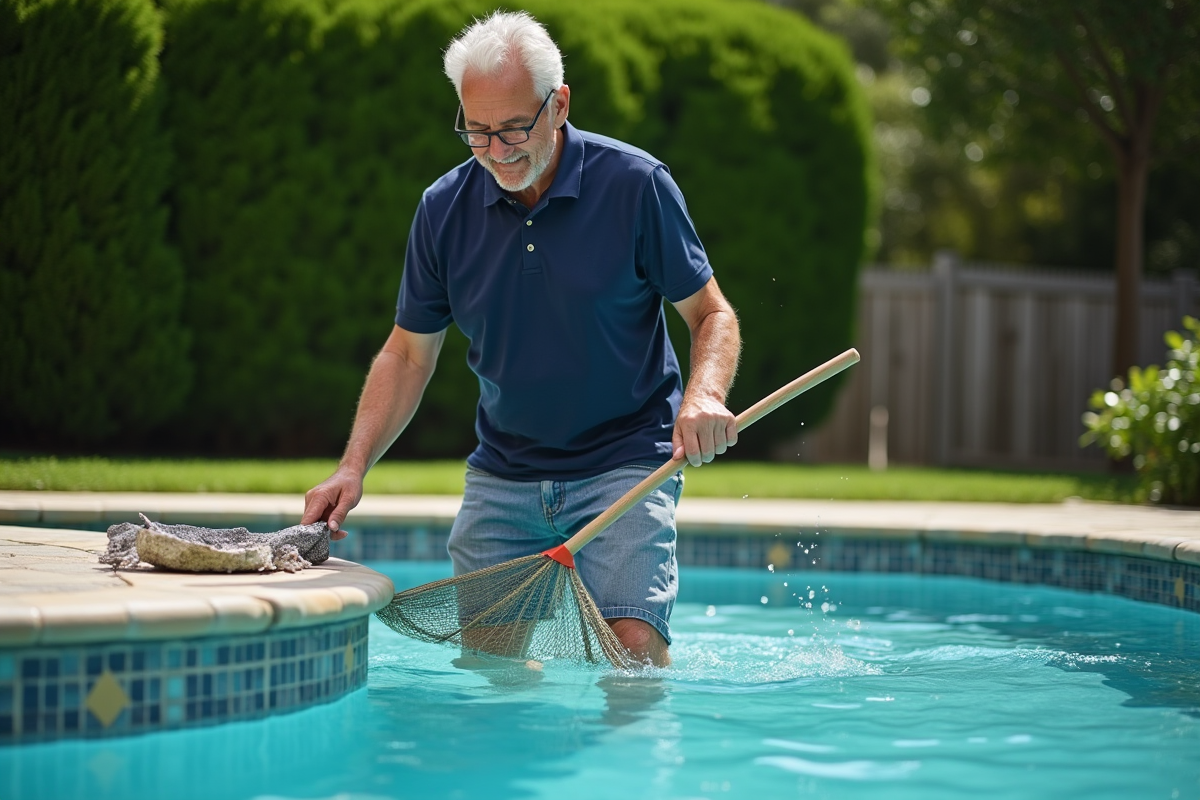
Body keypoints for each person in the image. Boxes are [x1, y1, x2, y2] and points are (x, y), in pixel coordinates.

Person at [302, 10, 740, 667]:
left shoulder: (636, 186)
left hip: (624, 462)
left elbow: (712, 314)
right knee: (492, 664)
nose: (497, 151)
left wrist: (702, 396)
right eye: (476, 132)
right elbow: (407, 353)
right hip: (504, 474)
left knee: (632, 649)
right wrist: (353, 464)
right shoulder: (442, 210)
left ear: (559, 104)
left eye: (513, 128)